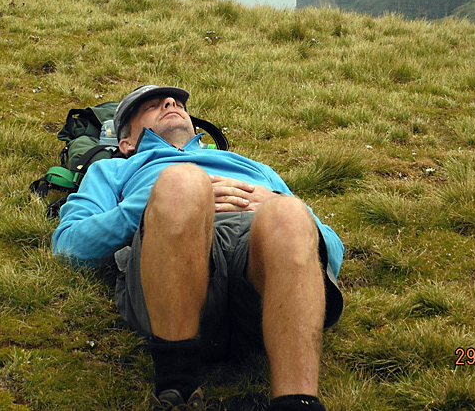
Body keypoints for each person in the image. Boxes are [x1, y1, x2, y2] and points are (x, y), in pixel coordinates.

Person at [52, 85, 344, 411]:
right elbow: (69, 245)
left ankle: (297, 403)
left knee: (288, 211)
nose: (171, 102)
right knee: (183, 182)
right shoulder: (112, 169)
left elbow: (332, 251)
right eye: (151, 106)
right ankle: (177, 389)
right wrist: (153, 203)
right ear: (127, 143)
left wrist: (275, 202)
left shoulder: (252, 167)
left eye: (177, 102)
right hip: (173, 277)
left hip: (262, 283)